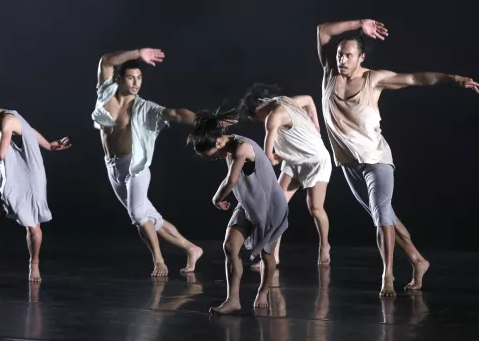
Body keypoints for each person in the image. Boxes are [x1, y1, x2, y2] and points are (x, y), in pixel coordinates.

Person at [317, 19, 479, 296]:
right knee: (385, 215)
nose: (342, 59)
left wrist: (454, 80)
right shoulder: (328, 75)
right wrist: (359, 23)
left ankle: (388, 276)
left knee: (381, 215)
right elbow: (322, 30)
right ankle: (418, 261)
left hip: (377, 159)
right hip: (349, 164)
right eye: (339, 54)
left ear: (361, 57)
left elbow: (417, 79)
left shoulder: (374, 79)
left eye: (348, 55)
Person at [93, 48, 203, 278]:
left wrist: (206, 122)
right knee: (150, 216)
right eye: (131, 78)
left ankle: (159, 261)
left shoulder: (144, 108)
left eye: (140, 78)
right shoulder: (105, 94)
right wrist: (138, 52)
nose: (136, 83)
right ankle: (193, 249)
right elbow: (106, 60)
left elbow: (175, 113)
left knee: (138, 215)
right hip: (112, 166)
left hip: (136, 167)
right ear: (119, 79)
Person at [0, 87, 71, 286]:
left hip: (27, 177)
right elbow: (29, 131)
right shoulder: (6, 117)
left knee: (33, 227)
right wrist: (50, 145)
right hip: (7, 173)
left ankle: (34, 262)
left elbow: (0, 155)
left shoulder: (6, 121)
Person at [187, 109, 289, 314]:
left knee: (267, 254)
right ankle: (232, 300)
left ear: (217, 143)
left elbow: (232, 179)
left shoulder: (241, 148)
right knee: (230, 247)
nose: (215, 159)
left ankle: (263, 291)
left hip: (270, 207)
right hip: (248, 202)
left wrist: (217, 198)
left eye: (212, 156)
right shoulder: (228, 142)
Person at [239, 84, 333, 267]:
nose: (259, 121)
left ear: (258, 108)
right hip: (294, 161)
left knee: (315, 208)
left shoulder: (272, 118)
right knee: (277, 207)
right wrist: (315, 122)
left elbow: (268, 158)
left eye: (256, 118)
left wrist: (274, 157)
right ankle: (272, 255)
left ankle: (324, 246)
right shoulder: (285, 101)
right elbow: (308, 99)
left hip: (315, 161)